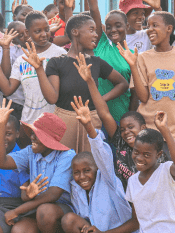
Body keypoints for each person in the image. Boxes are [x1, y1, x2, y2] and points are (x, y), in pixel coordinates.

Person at [22, 9, 129, 153]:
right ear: (75, 32)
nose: (96, 35)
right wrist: (39, 69)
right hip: (64, 123)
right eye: (91, 30)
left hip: (92, 121)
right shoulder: (57, 63)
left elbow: (123, 84)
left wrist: (101, 99)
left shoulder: (96, 63)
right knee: (65, 165)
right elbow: (52, 98)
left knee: (90, 167)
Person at [74, 111, 175, 233]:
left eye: (146, 155)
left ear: (159, 155)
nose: (139, 158)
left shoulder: (165, 170)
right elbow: (135, 221)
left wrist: (164, 129)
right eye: (136, 152)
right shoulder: (133, 181)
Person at [74, 52, 168, 190]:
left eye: (131, 127)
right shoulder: (120, 142)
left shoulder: (154, 150)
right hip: (124, 201)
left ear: (143, 128)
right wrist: (90, 81)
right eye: (123, 129)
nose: (126, 132)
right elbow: (104, 113)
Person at [0, 99, 76, 233]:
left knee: (46, 211)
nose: (31, 137)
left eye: (37, 135)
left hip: (61, 209)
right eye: (32, 133)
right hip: (35, 205)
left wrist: (17, 211)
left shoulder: (67, 156)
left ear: (50, 140)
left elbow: (53, 195)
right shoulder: (31, 151)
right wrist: (1, 126)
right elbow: (0, 162)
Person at [61, 96, 137, 233]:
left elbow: (101, 153)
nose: (82, 177)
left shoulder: (108, 179)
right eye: (77, 173)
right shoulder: (76, 189)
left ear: (97, 168)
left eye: (87, 170)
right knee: (68, 219)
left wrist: (88, 126)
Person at [83, 0, 138, 121]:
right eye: (109, 26)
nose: (113, 30)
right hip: (94, 113)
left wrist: (130, 117)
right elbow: (94, 9)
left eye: (118, 25)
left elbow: (135, 92)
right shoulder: (100, 44)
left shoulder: (133, 55)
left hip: (120, 114)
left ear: (127, 26)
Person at [0, 11, 66, 125]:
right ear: (27, 32)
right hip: (28, 122)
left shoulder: (60, 54)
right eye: (37, 31)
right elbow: (7, 89)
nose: (44, 34)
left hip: (54, 122)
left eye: (46, 29)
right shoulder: (22, 59)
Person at [118, 11, 175, 138]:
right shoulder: (142, 58)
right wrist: (133, 65)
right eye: (148, 26)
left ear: (169, 29)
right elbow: (143, 98)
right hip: (150, 130)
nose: (150, 30)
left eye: (155, 25)